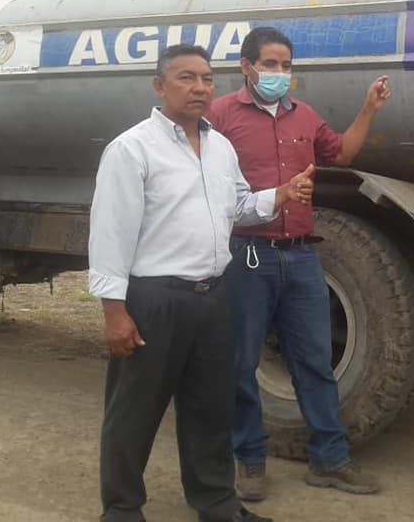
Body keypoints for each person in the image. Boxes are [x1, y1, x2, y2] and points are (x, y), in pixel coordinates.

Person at [88, 43, 314, 522]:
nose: (200, 88)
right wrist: (114, 310)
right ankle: (122, 509)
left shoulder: (220, 148)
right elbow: (110, 233)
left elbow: (238, 208)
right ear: (159, 86)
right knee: (134, 411)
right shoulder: (131, 149)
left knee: (210, 410)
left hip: (213, 297)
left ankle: (216, 504)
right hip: (155, 300)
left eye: (207, 79)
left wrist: (280, 194)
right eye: (186, 78)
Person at [208, 26, 390, 501]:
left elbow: (342, 152)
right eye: (270, 64)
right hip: (248, 255)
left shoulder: (304, 116)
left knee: (314, 360)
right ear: (246, 67)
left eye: (286, 65)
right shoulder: (220, 115)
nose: (279, 73)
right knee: (242, 363)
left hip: (302, 255)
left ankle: (330, 460)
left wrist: (369, 108)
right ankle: (249, 459)